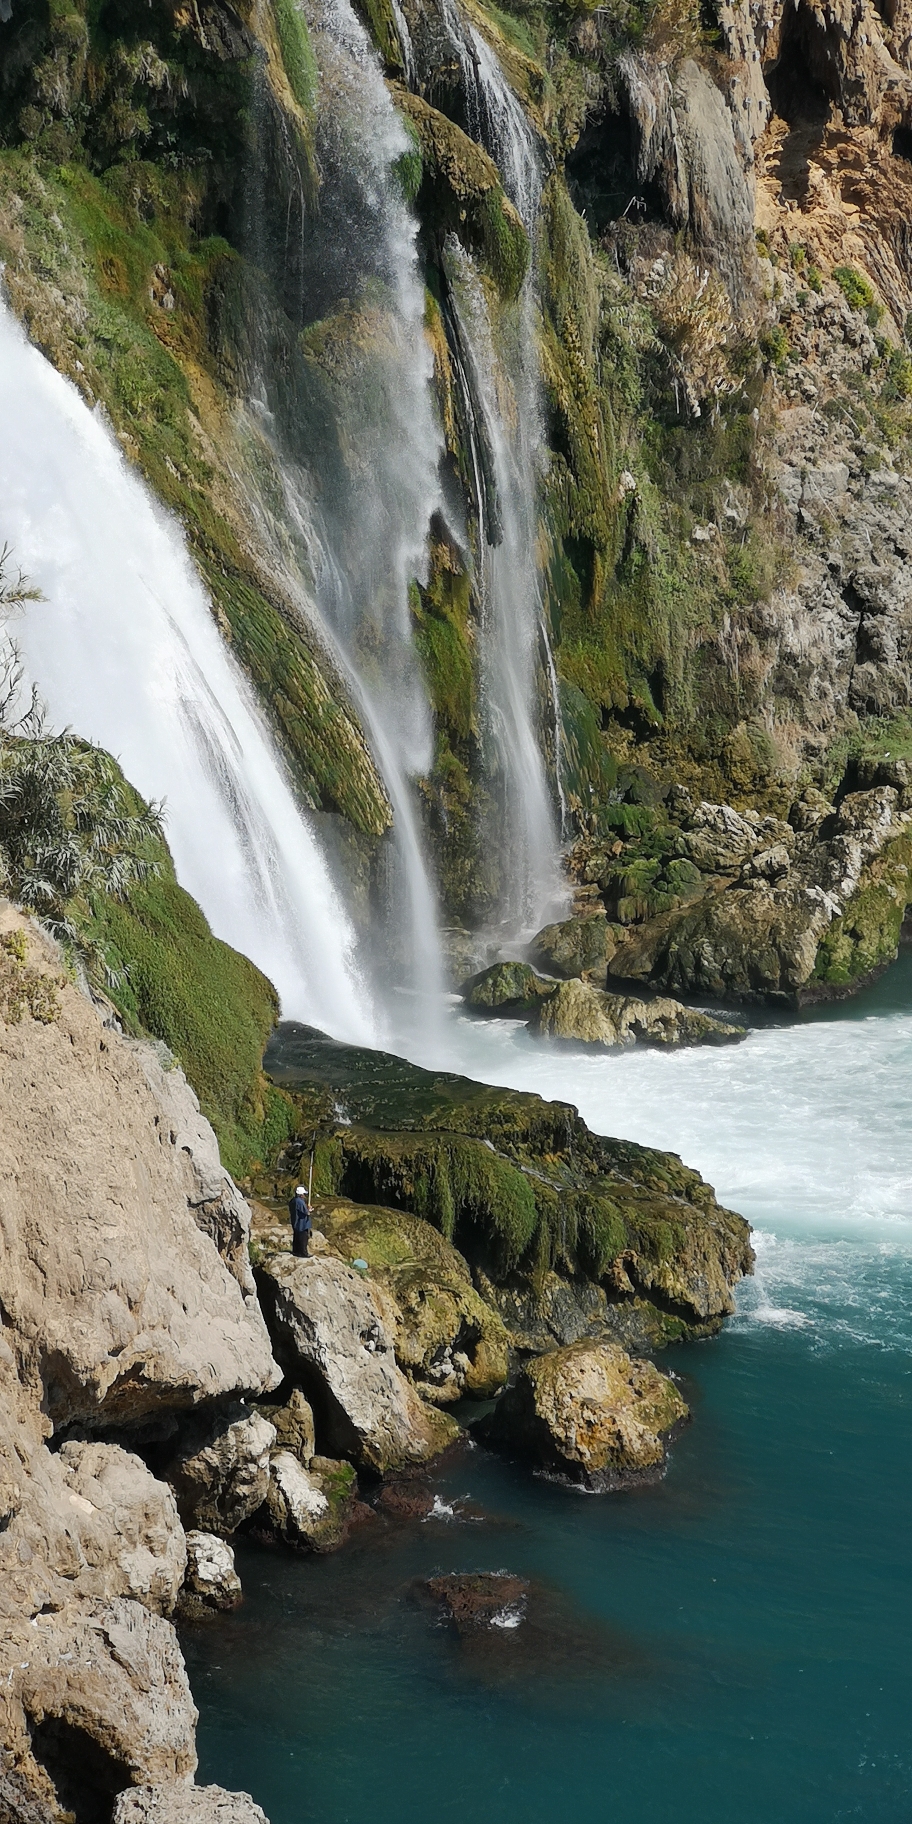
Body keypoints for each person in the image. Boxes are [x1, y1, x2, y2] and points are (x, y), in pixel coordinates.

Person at [289, 1184, 312, 1258]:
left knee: (296, 1237)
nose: (304, 1196)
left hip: (295, 1222)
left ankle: (296, 1251)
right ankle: (303, 1253)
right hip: (302, 1223)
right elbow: (306, 1212)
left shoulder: (293, 1201)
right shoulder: (300, 1202)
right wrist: (309, 1209)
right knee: (303, 1238)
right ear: (301, 1195)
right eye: (304, 1194)